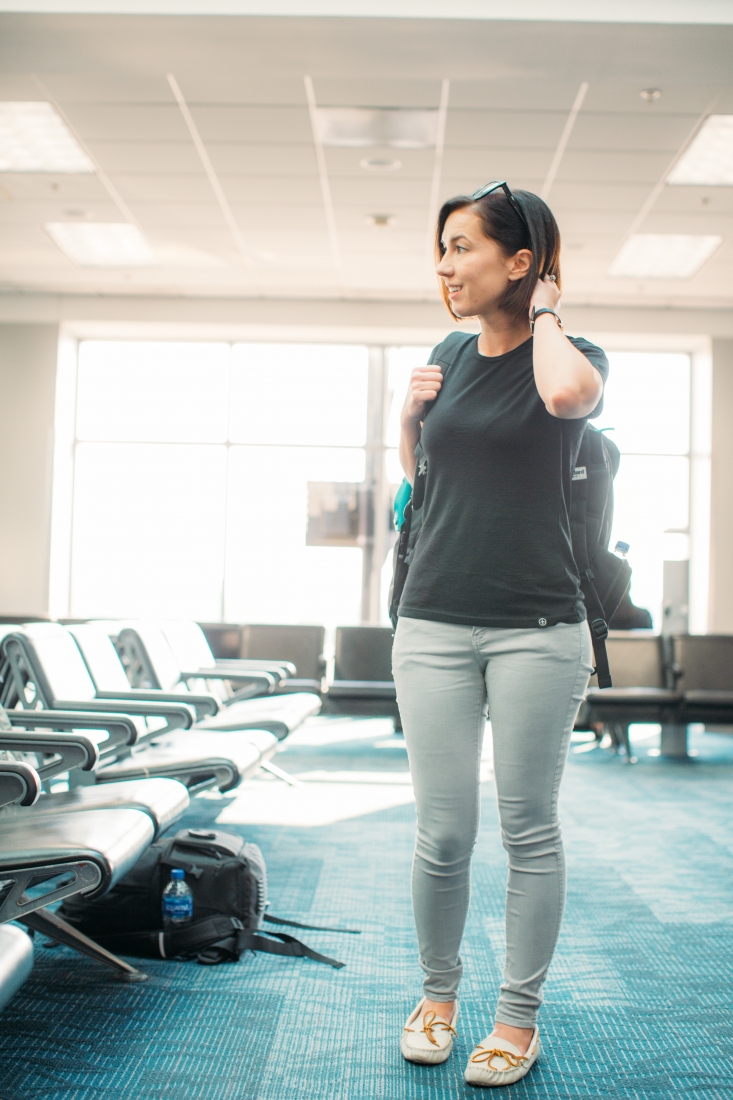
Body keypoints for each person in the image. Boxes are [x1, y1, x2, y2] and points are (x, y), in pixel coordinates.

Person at [392, 181, 608, 1087]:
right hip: (432, 616)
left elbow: (564, 400)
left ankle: (516, 1020)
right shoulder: (444, 351)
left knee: (529, 831)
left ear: (518, 262)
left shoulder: (572, 354)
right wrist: (405, 421)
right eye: (439, 248)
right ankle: (437, 997)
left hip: (537, 625)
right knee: (441, 833)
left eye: (462, 247)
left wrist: (547, 309)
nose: (443, 266)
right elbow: (428, 483)